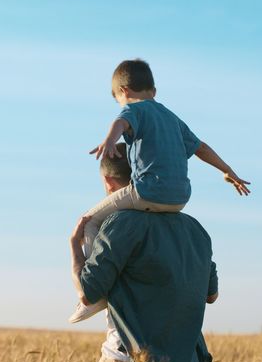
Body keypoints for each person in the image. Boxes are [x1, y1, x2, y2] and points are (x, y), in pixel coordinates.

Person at [70, 58, 247, 323]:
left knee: (89, 220)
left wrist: (109, 140)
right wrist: (228, 170)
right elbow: (201, 148)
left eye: (118, 99)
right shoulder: (173, 118)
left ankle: (97, 293)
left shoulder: (135, 109)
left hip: (146, 192)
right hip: (179, 200)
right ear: (153, 90)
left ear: (124, 91)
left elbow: (120, 123)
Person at [68, 146, 219, 362]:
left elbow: (87, 294)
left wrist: (75, 247)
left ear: (109, 183)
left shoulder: (119, 223)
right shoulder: (196, 230)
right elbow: (211, 295)